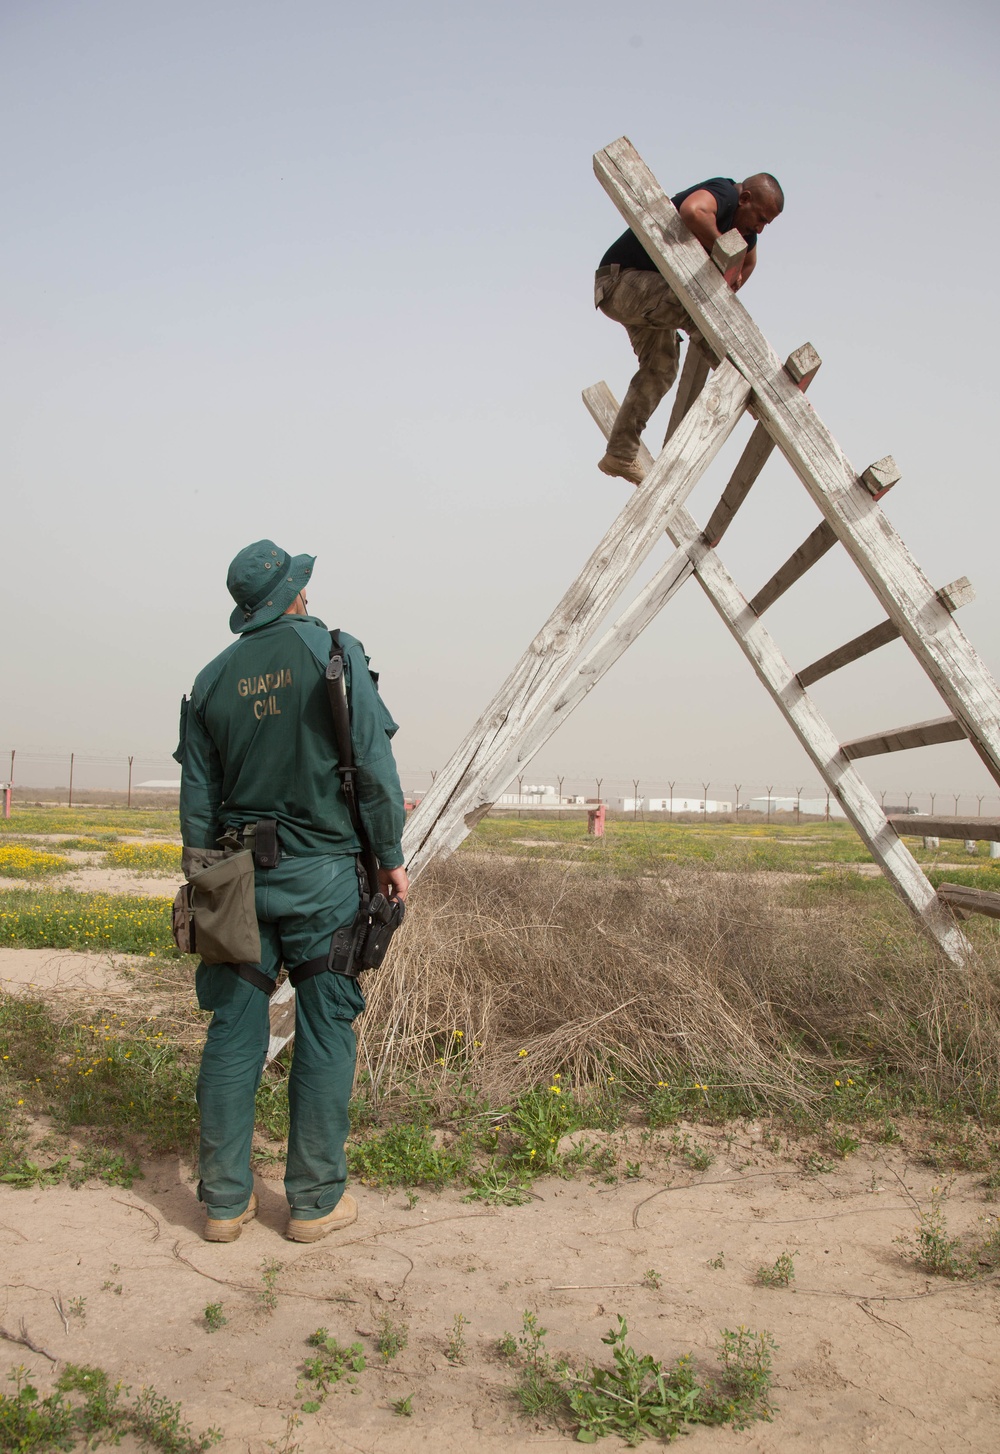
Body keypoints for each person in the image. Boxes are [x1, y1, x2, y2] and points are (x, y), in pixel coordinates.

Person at [174, 539, 408, 1244]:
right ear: (297, 594)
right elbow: (371, 765)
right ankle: (312, 1203)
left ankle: (222, 1203)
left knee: (232, 1033)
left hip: (234, 880)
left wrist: (207, 884)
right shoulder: (333, 653)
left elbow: (196, 800)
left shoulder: (212, 678)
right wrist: (390, 854)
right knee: (326, 1027)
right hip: (325, 876)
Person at [595, 174, 784, 485]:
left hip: (649, 296)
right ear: (746, 198)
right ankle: (736, 374)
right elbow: (693, 210)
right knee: (698, 303)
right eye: (760, 218)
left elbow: (748, 262)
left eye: (768, 224)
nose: (760, 228)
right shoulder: (724, 194)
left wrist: (732, 280)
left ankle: (619, 453)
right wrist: (719, 248)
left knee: (662, 367)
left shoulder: (747, 233)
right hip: (619, 282)